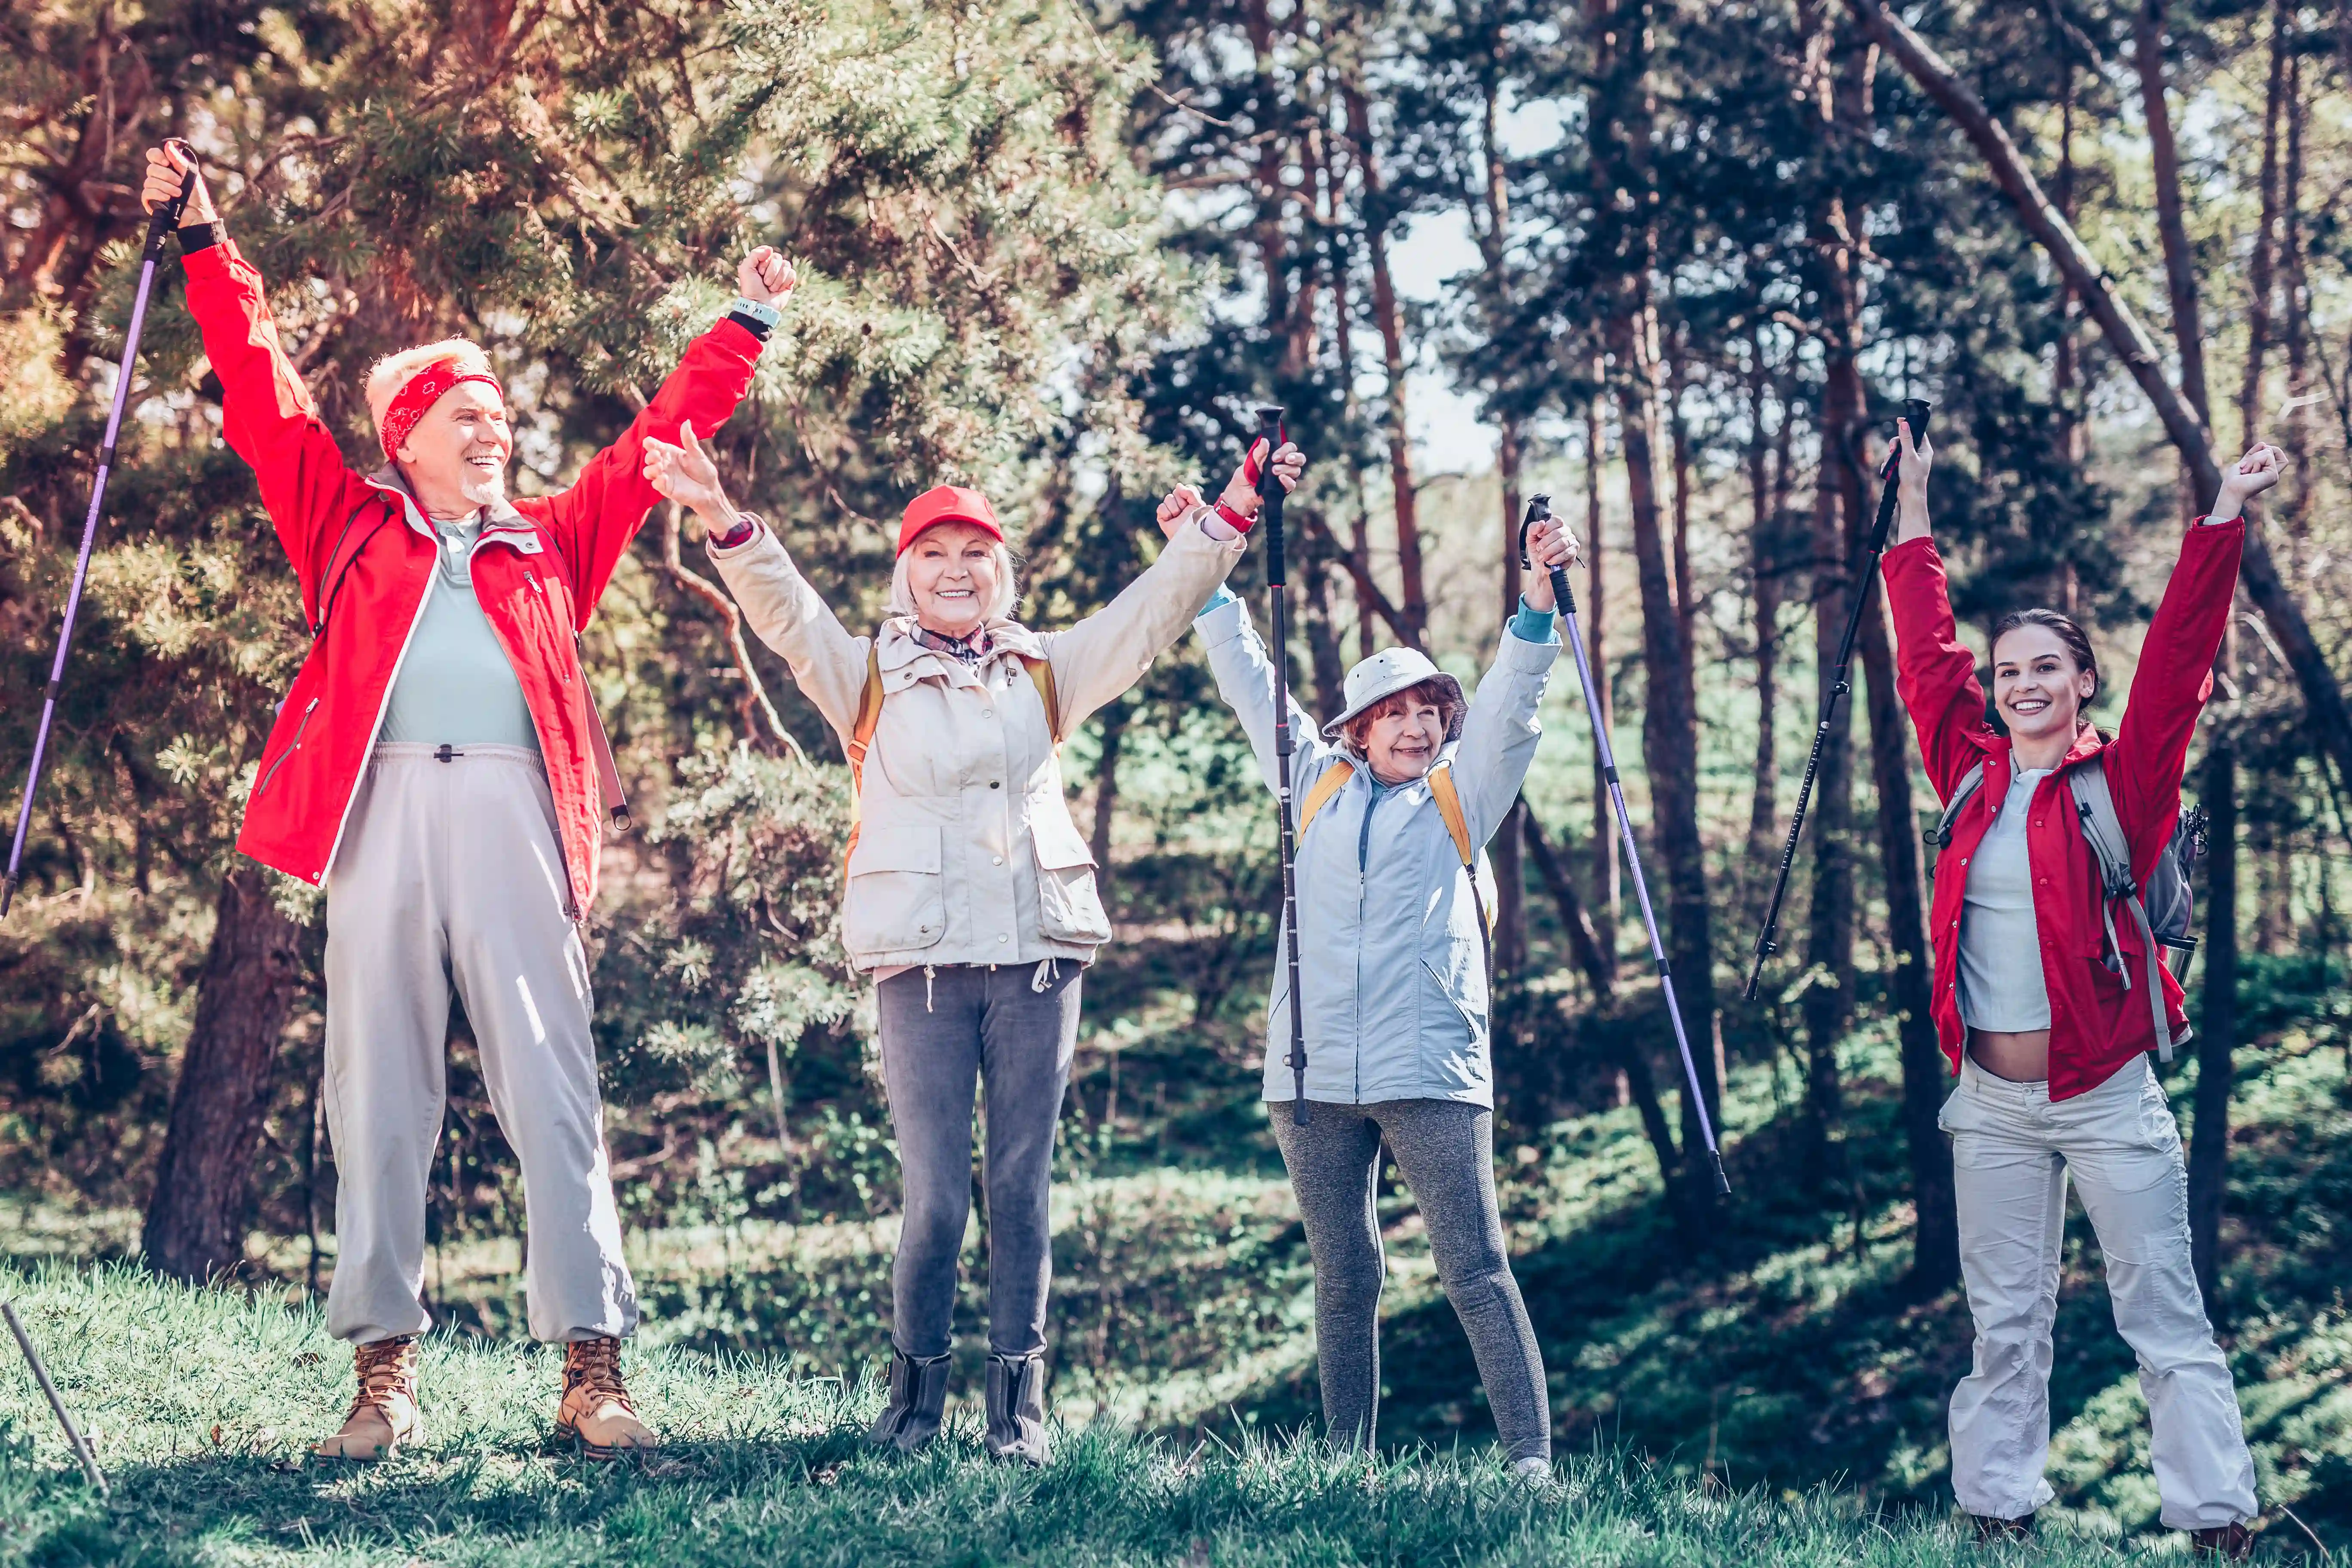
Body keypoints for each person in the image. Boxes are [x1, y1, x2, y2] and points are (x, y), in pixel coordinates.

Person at [139, 144, 796, 1462]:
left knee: (552, 1084)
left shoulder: (555, 537)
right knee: (374, 1089)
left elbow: (662, 433)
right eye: (467, 417)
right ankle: (383, 1381)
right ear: (408, 438)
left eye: (501, 417)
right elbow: (263, 397)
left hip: (514, 821)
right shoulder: (343, 523)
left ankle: (592, 1373)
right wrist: (207, 244)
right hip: (377, 818)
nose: (494, 431)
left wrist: (745, 324)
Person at [639, 418, 1302, 1466]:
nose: (957, 572)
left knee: (1022, 1188)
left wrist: (1234, 505)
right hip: (925, 969)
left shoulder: (1048, 669)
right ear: (908, 578)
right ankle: (913, 1407)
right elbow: (781, 606)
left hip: (1038, 957)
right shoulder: (861, 674)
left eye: (976, 557)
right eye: (935, 557)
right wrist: (720, 512)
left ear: (1002, 573)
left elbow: (1153, 611)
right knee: (939, 1195)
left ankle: (1018, 1415)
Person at [1883, 417, 2277, 1557]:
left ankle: (2216, 1520)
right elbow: (1924, 652)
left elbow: (2181, 662)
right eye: (2007, 673)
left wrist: (2221, 515)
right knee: (2004, 1325)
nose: (2021, 686)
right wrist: (1912, 504)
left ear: (2082, 681)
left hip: (2106, 1089)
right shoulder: (1969, 771)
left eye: (2044, 668)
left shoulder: (2129, 779)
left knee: (2163, 1313)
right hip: (1993, 1100)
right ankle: (1998, 1513)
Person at [1158, 480, 1576, 1478]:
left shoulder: (1460, 795)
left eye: (1431, 710)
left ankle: (1531, 1466)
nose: (1418, 727)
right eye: (1394, 714)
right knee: (1344, 1276)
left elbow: (1514, 706)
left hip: (1427, 1069)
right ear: (1355, 728)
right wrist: (1202, 566)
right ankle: (1347, 1466)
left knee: (1475, 1269)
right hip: (1306, 1078)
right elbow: (1248, 679)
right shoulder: (1312, 779)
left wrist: (1535, 604)